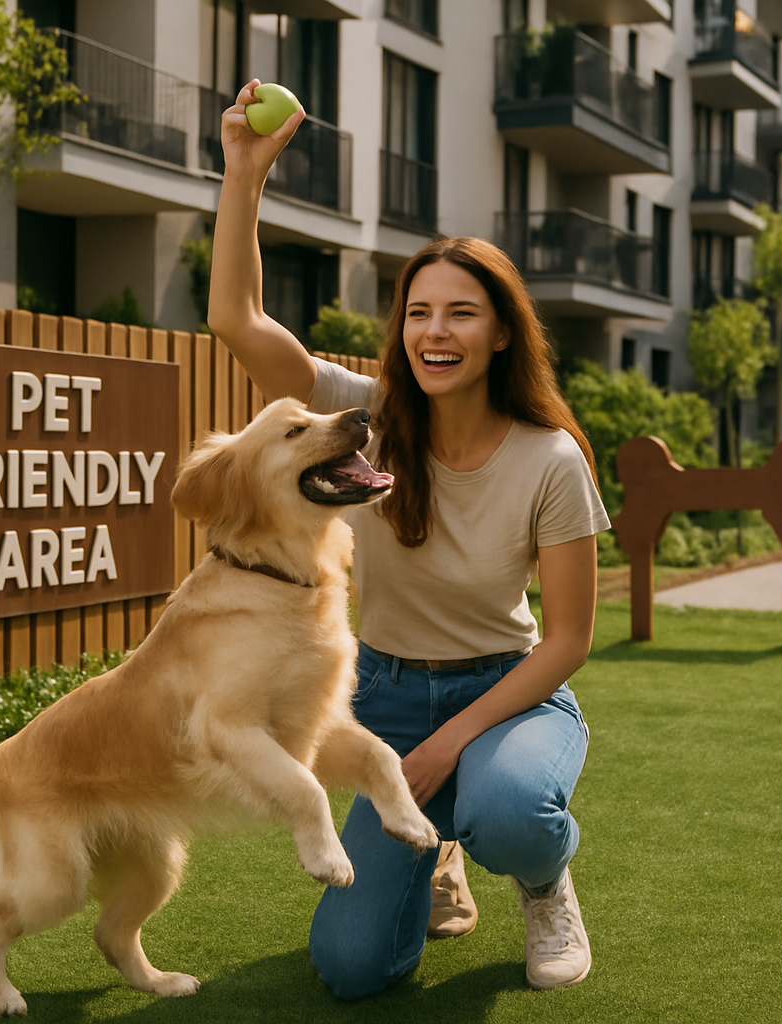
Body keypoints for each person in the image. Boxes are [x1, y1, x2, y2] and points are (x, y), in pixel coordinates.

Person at [207, 80, 609, 999]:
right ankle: (438, 857)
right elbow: (236, 320)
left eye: (462, 313)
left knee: (509, 812)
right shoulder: (364, 417)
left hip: (506, 696)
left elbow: (570, 639)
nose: (436, 332)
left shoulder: (550, 458)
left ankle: (542, 879)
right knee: (352, 971)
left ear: (502, 332)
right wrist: (244, 175)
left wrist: (447, 747)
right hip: (384, 696)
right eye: (419, 313)